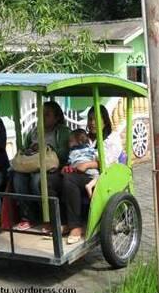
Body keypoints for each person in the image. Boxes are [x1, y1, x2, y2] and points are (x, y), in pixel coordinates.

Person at [60, 105, 125, 244]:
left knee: (69, 181)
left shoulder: (112, 138)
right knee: (55, 178)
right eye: (90, 119)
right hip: (82, 173)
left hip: (103, 177)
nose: (92, 123)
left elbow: (107, 162)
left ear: (105, 121)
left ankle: (76, 227)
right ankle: (63, 221)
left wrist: (87, 165)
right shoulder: (84, 137)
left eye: (96, 119)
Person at [11, 101, 70, 231]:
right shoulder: (34, 132)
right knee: (18, 177)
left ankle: (45, 216)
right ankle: (28, 216)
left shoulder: (62, 132)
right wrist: (30, 150)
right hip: (32, 165)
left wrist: (45, 148)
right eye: (41, 114)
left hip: (52, 168)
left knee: (37, 179)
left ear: (56, 117)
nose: (42, 117)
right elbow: (23, 149)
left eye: (47, 114)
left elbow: (65, 154)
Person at [64, 129, 100, 197]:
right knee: (99, 177)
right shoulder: (89, 149)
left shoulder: (72, 152)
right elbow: (96, 155)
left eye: (71, 141)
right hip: (89, 168)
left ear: (79, 142)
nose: (68, 144)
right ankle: (90, 185)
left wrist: (70, 167)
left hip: (77, 167)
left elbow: (70, 161)